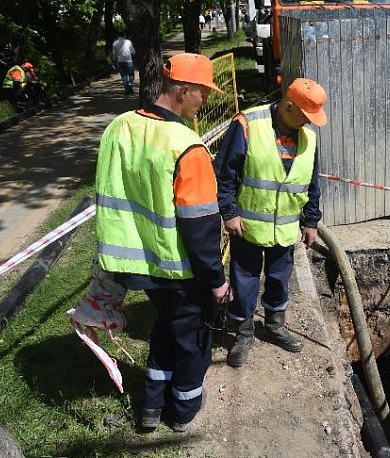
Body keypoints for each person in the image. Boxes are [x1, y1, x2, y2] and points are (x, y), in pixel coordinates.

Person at [95, 52, 233, 432]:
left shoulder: (119, 127)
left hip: (132, 264)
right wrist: (217, 281)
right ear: (183, 90)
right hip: (176, 266)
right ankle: (183, 411)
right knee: (193, 337)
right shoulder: (187, 146)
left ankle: (152, 408)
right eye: (202, 93)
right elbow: (200, 227)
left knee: (168, 325)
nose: (205, 101)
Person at [214, 77, 327, 368]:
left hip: (286, 230)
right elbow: (224, 173)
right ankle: (243, 331)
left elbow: (311, 183)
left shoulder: (309, 139)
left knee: (279, 279)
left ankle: (275, 325)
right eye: (306, 116)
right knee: (244, 279)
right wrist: (229, 212)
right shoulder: (248, 124)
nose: (310, 124)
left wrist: (311, 220)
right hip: (248, 227)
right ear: (289, 106)